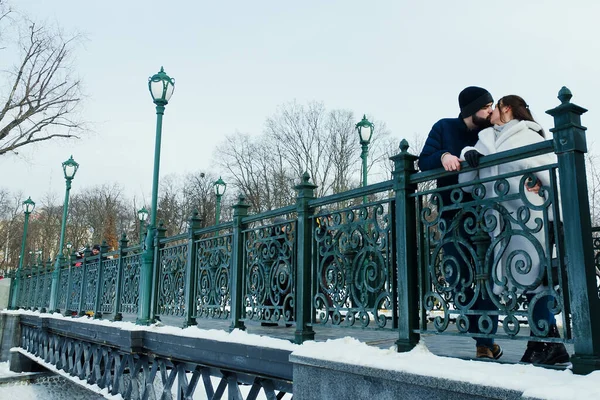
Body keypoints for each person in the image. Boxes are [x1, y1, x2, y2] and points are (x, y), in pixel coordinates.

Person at [458, 94, 569, 366]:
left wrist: (540, 192)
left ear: (506, 108)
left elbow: (552, 178)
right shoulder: (485, 140)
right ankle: (544, 345)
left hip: (530, 216)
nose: (491, 111)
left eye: (495, 107)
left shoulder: (530, 135)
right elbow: (470, 185)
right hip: (500, 222)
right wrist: (467, 157)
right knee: (519, 278)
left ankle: (545, 344)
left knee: (535, 277)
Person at [419, 86, 502, 360]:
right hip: (452, 214)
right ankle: (481, 336)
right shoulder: (444, 127)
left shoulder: (489, 132)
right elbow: (423, 160)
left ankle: (485, 339)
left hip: (485, 214)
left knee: (487, 275)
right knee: (459, 276)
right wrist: (443, 156)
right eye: (486, 106)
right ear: (470, 109)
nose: (491, 110)